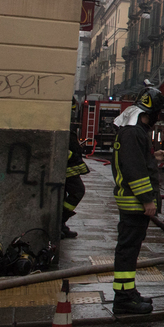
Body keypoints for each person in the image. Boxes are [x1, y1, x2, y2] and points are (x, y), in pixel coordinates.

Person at [111, 88, 163, 315]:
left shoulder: (134, 131)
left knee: (130, 250)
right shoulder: (134, 133)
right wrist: (147, 200)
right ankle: (123, 299)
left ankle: (129, 292)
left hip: (134, 203)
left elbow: (138, 160)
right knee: (128, 251)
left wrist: (153, 157)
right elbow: (134, 170)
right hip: (134, 203)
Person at [61, 102, 89, 239]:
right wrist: (73, 154)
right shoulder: (60, 123)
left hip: (69, 167)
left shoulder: (64, 123)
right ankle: (60, 221)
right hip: (67, 168)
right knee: (78, 191)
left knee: (64, 195)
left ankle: (61, 224)